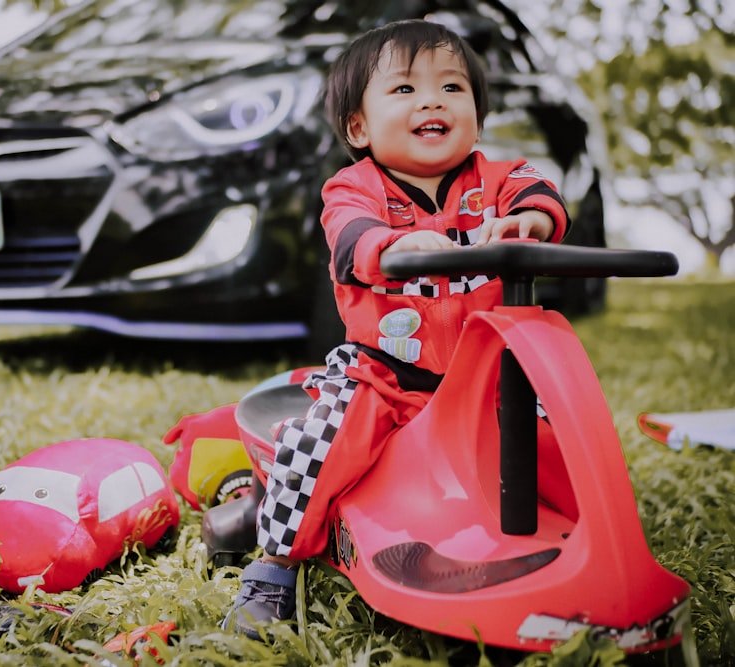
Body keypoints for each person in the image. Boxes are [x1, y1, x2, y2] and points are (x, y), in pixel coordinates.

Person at [223, 18, 569, 640]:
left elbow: (541, 193)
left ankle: (585, 536)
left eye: (452, 88)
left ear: (476, 116)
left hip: (487, 379)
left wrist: (532, 224)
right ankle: (273, 566)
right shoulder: (353, 188)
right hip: (383, 374)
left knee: (563, 435)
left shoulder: (497, 183)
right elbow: (352, 242)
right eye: (405, 90)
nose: (432, 100)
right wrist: (397, 244)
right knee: (319, 446)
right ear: (358, 126)